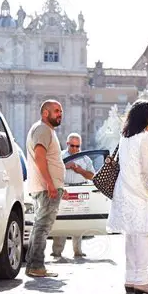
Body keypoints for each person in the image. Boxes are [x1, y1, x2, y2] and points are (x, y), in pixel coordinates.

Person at [107, 100, 148, 294]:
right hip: (141, 195)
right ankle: (142, 280)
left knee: (132, 239)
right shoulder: (145, 139)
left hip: (125, 193)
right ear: (147, 118)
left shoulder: (125, 137)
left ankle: (131, 278)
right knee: (143, 238)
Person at [25, 100, 66, 278]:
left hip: (45, 186)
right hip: (46, 187)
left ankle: (33, 264)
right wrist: (50, 183)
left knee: (39, 225)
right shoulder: (42, 129)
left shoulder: (45, 130)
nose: (59, 114)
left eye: (61, 111)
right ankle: (36, 265)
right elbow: (39, 156)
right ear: (45, 113)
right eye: (56, 111)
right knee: (43, 226)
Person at [51, 132, 95, 260]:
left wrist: (79, 170)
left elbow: (92, 176)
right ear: (67, 144)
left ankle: (78, 251)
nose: (75, 149)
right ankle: (57, 251)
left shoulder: (85, 158)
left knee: (79, 220)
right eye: (72, 146)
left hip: (80, 191)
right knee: (62, 219)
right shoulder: (60, 156)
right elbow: (52, 171)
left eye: (77, 146)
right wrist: (65, 166)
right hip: (65, 190)